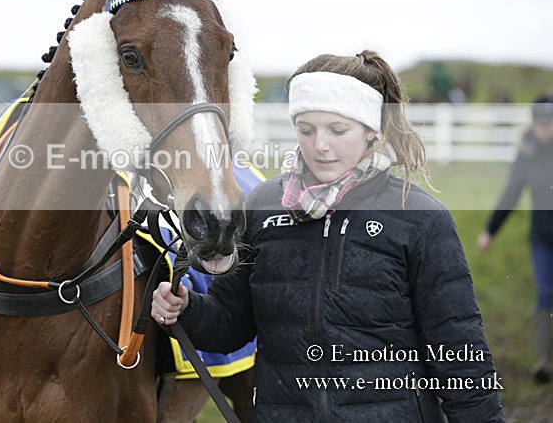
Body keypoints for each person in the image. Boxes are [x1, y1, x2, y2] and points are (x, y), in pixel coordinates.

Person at [152, 51, 504, 421]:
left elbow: (461, 355)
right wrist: (186, 309)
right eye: (306, 130)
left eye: (337, 130)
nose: (320, 145)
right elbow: (229, 323)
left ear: (371, 131)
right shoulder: (264, 204)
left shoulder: (420, 219)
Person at [478, 96, 553, 384]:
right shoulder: (527, 155)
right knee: (546, 293)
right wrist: (490, 231)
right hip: (542, 238)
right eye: (542, 123)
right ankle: (544, 361)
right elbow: (511, 193)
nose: (547, 129)